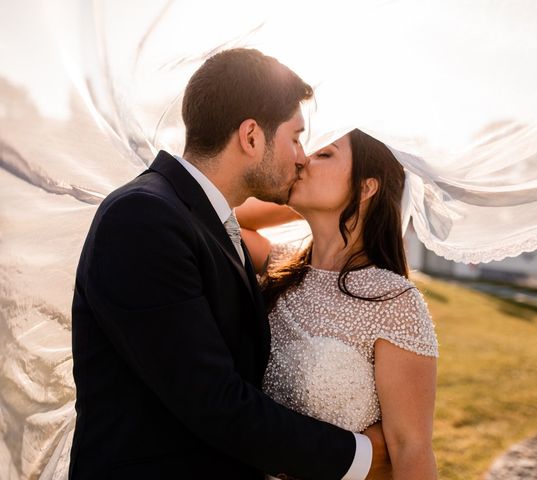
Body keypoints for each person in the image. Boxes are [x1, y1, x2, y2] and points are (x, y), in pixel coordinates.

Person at [70, 48, 388, 480]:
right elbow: (213, 401)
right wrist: (361, 457)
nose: (301, 157)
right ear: (251, 136)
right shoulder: (143, 219)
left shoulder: (202, 218)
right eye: (295, 138)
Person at [237, 128, 440, 479]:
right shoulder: (278, 264)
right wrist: (294, 196)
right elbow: (229, 217)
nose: (302, 159)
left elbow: (410, 448)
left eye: (324, 154)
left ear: (366, 186)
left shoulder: (393, 300)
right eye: (307, 152)